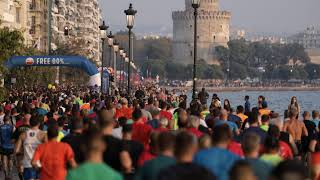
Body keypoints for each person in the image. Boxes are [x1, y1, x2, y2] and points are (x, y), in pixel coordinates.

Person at [0, 115, 15, 179]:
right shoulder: (12, 127)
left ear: (3, 120)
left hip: (3, 146)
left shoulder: (0, 127)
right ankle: (10, 173)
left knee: (4, 161)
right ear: (9, 120)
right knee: (10, 160)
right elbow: (14, 137)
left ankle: (6, 175)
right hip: (11, 146)